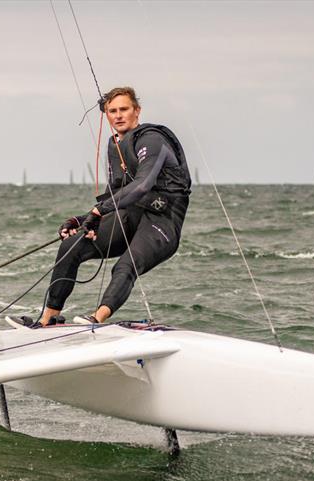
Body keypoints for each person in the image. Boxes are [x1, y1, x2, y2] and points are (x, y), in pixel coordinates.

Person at [12, 86, 191, 327]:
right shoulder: (115, 145)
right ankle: (48, 319)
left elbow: (141, 186)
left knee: (126, 264)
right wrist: (80, 219)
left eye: (124, 109)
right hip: (129, 217)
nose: (118, 115)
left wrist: (99, 212)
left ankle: (97, 318)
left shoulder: (152, 139)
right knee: (71, 244)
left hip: (162, 222)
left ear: (137, 111)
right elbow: (116, 195)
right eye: (112, 111)